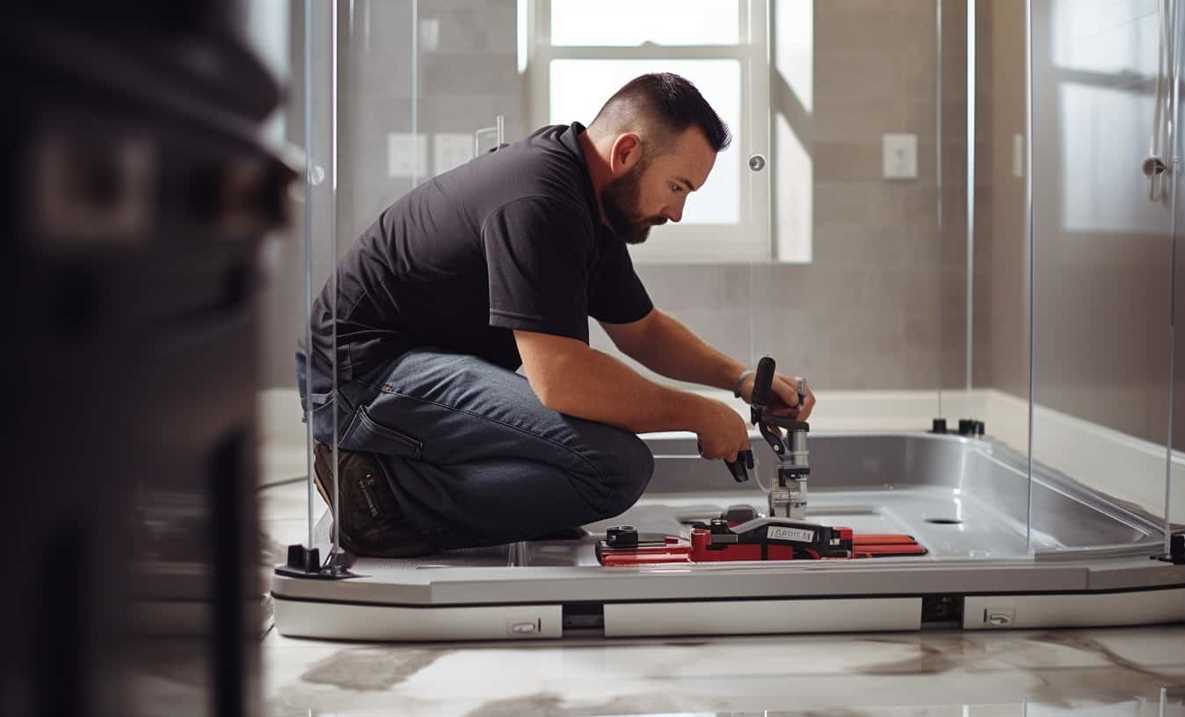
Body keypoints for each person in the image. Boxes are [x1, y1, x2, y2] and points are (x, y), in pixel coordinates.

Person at [301, 73, 815, 557]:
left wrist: (740, 379)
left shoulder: (588, 197)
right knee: (612, 467)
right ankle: (377, 499)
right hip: (363, 376)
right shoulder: (539, 199)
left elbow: (641, 330)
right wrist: (696, 413)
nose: (676, 212)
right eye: (677, 187)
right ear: (627, 151)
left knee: (598, 459)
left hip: (411, 368)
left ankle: (405, 477)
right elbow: (562, 379)